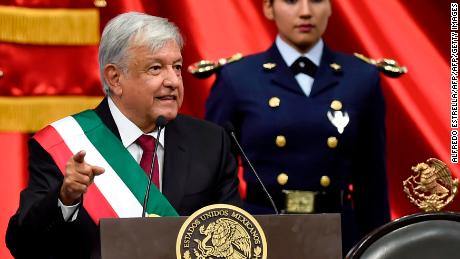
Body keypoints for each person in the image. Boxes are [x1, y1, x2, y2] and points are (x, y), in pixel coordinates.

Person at [6, 12, 240, 258]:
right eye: (156, 68)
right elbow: (22, 245)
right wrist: (65, 199)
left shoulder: (211, 142)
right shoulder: (65, 144)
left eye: (177, 67)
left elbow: (235, 237)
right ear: (115, 78)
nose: (173, 81)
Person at [205, 0, 390, 253]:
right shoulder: (237, 77)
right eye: (291, 1)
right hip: (262, 232)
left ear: (331, 7)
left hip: (339, 233)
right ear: (268, 8)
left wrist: (379, 246)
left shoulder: (361, 77)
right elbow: (214, 175)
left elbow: (372, 179)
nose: (305, 12)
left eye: (316, 0)